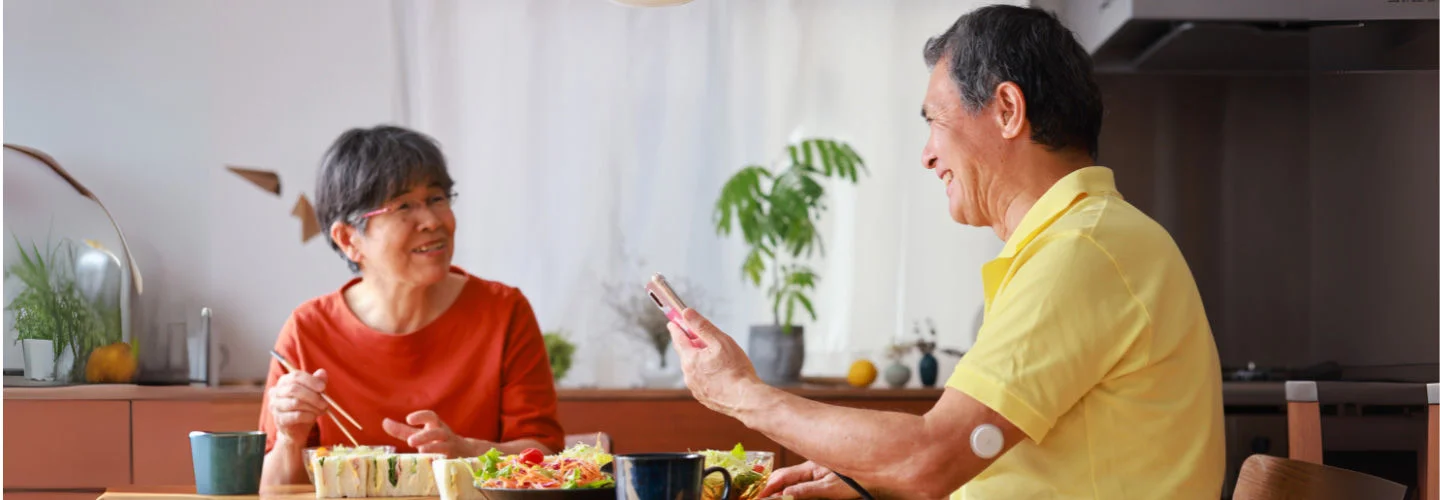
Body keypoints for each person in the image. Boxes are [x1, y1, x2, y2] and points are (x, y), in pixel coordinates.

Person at [665, 5, 1225, 499]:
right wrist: (875, 477)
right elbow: (973, 456)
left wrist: (741, 394)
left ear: (1007, 109)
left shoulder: (1081, 251)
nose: (928, 155)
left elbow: (931, 457)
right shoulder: (1087, 240)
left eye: (934, 120)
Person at [258, 125, 564, 485]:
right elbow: (272, 487)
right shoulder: (307, 330)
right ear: (348, 239)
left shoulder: (504, 312)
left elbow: (544, 454)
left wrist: (467, 452)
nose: (433, 221)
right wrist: (290, 439)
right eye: (404, 206)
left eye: (436, 198)